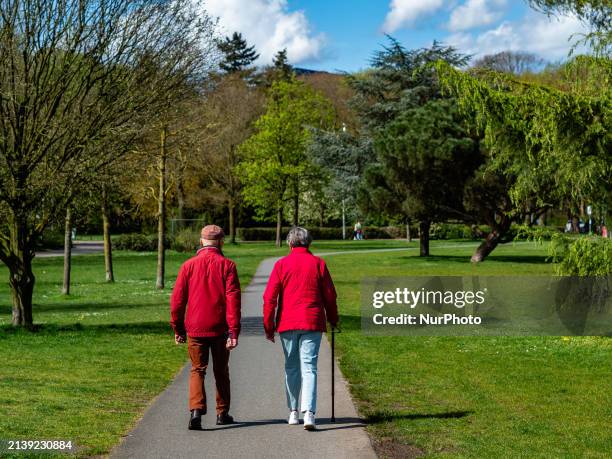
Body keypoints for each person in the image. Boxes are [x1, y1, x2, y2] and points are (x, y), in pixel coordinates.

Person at [263, 227, 339, 431]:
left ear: (290, 243)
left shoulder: (281, 264)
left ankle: (293, 412)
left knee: (291, 367)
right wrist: (334, 319)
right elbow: (330, 297)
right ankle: (309, 414)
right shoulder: (318, 264)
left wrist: (268, 325)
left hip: (287, 323)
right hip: (312, 322)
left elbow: (269, 297)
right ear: (309, 243)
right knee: (309, 367)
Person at [170, 225, 241, 430]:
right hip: (219, 327)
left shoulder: (188, 265)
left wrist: (178, 328)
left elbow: (177, 301)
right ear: (221, 242)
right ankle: (222, 412)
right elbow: (233, 301)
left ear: (201, 241)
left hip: (195, 327)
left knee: (197, 369)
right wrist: (233, 330)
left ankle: (196, 411)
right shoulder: (228, 265)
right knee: (221, 370)